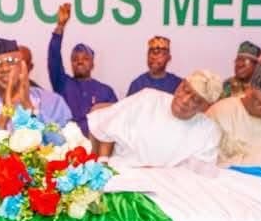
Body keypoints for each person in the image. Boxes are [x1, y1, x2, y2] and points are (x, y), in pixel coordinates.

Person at [0, 38, 73, 169]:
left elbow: (67, 147)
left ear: (23, 66)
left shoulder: (53, 102)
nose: (4, 68)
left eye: (11, 62)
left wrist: (30, 109)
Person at [88, 70, 223, 168]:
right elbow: (106, 126)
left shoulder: (208, 132)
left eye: (195, 100)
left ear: (205, 107)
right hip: (123, 175)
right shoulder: (147, 99)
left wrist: (157, 175)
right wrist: (103, 162)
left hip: (168, 191)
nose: (185, 100)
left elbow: (197, 177)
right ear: (180, 84)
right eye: (185, 90)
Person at [47, 4, 118, 134]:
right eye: (75, 59)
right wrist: (60, 26)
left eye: (85, 58)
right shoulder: (63, 83)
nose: (79, 61)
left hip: (96, 146)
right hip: (66, 145)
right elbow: (54, 57)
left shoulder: (106, 91)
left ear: (92, 64)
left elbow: (117, 120)